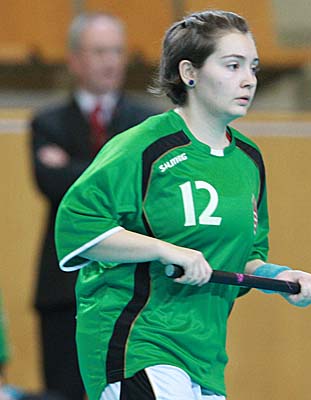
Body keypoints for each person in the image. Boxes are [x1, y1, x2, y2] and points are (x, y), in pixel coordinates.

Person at [54, 10, 311, 400]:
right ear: (189, 72)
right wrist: (165, 250)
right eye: (232, 66)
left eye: (252, 67)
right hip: (138, 338)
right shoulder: (144, 145)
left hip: (205, 352)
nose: (248, 79)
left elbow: (245, 258)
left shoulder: (249, 160)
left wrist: (282, 278)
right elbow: (78, 225)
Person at [29, 13, 158, 400]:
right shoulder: (46, 122)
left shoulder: (149, 123)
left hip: (131, 287)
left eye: (117, 51)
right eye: (100, 51)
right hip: (62, 288)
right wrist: (117, 172)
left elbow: (140, 191)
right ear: (74, 60)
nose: (111, 61)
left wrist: (72, 166)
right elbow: (53, 185)